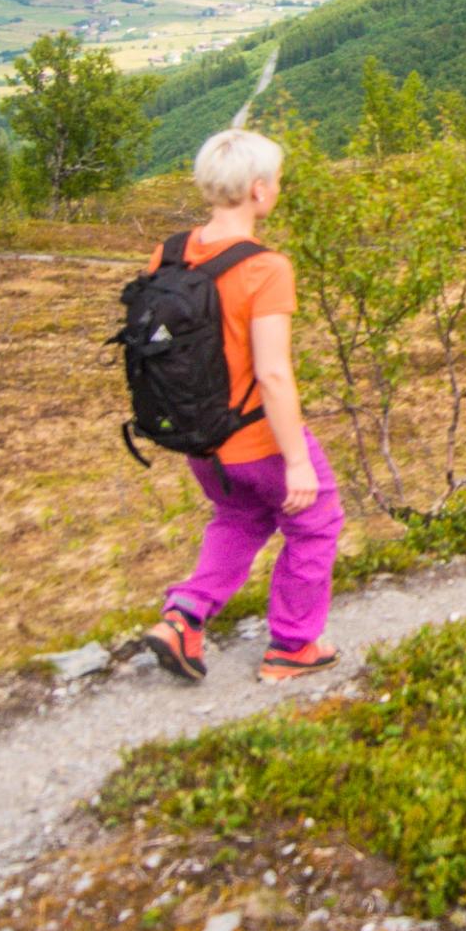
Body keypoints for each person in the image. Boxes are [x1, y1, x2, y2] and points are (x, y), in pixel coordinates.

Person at [130, 128, 341, 684]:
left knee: (240, 516)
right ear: (258, 189)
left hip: (199, 437)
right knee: (317, 519)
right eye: (273, 180)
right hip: (256, 438)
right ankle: (294, 645)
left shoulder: (169, 254)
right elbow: (272, 373)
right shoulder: (265, 267)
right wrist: (296, 461)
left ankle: (184, 617)